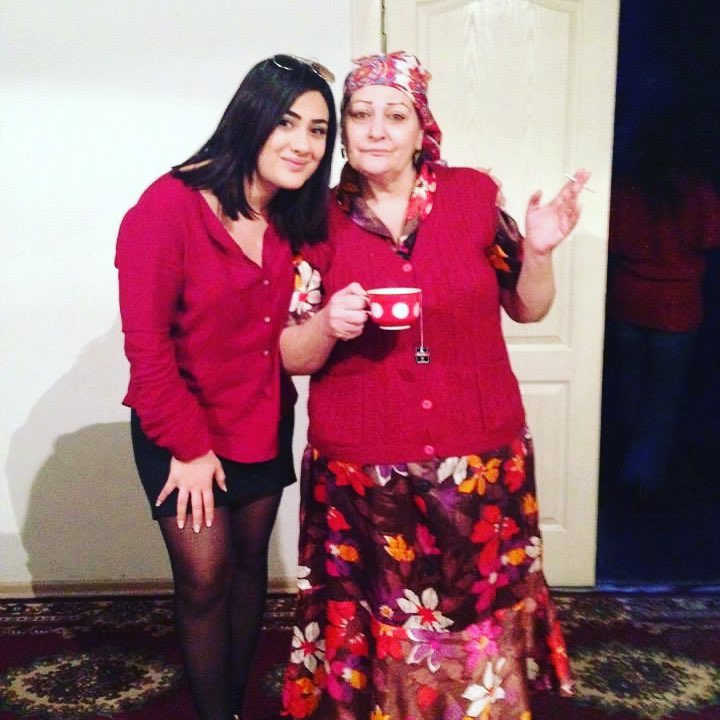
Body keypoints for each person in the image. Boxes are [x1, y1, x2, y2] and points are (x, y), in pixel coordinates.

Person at [280, 51, 589, 720]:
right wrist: (328, 325)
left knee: (478, 609)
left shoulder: (472, 196)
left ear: (423, 127)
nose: (376, 130)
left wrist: (538, 253)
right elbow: (291, 352)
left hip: (481, 460)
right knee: (377, 609)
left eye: (395, 116)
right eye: (360, 115)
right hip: (362, 469)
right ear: (344, 128)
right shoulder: (313, 217)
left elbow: (529, 307)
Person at [115, 54, 337, 720]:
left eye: (318, 130)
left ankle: (235, 706)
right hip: (181, 426)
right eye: (286, 123)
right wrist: (187, 448)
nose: (302, 144)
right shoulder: (167, 208)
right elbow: (147, 350)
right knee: (205, 581)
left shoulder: (297, 215)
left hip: (261, 419)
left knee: (247, 570)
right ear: (250, 119)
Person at [600, 109, 720, 504]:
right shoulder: (698, 190)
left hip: (628, 300)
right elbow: (709, 240)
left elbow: (612, 242)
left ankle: (627, 467)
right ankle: (644, 477)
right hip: (677, 307)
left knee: (630, 387)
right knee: (663, 397)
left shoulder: (625, 188)